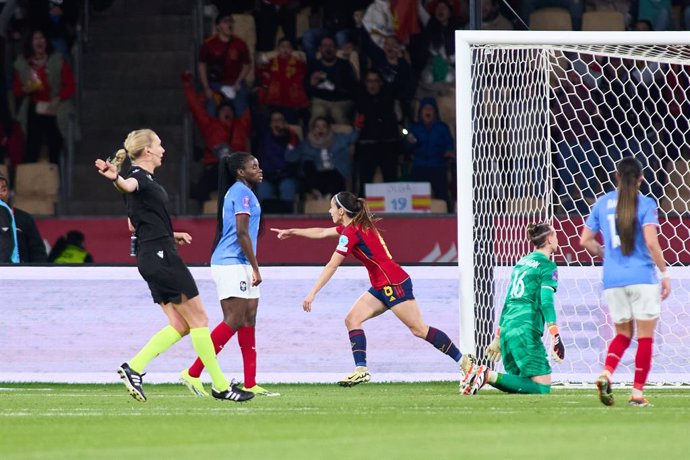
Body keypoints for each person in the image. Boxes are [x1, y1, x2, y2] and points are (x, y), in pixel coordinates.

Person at [94, 129, 253, 403]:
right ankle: (220, 385)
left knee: (181, 324)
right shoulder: (136, 178)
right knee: (200, 319)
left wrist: (171, 233)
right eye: (159, 144)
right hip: (160, 256)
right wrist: (116, 178)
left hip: (151, 253)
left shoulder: (143, 181)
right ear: (147, 151)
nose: (163, 149)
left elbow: (134, 222)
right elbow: (127, 185)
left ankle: (134, 367)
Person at [270, 191, 472, 387]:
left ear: (341, 211)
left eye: (332, 208)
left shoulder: (351, 233)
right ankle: (361, 370)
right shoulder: (356, 227)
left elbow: (332, 265)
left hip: (393, 284)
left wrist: (312, 293)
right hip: (381, 285)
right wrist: (293, 231)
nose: (329, 211)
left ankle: (464, 362)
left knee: (419, 329)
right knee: (352, 319)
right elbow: (322, 232)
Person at [180, 153, 279, 398]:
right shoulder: (240, 192)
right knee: (234, 319)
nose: (259, 169)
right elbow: (242, 233)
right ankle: (192, 372)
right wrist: (256, 267)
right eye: (253, 166)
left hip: (242, 262)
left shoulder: (245, 192)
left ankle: (250, 382)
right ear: (240, 172)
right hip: (231, 263)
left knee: (249, 319)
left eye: (259, 164)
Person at [580, 157, 671, 407]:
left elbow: (585, 240)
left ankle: (606, 372)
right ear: (641, 179)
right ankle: (637, 394)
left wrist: (605, 253)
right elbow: (652, 242)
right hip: (642, 276)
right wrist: (664, 273)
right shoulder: (646, 204)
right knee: (644, 337)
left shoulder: (602, 202)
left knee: (622, 334)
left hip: (612, 279)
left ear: (617, 177)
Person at [460, 223, 565, 396]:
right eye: (555, 235)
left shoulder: (521, 263)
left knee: (520, 386)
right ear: (548, 239)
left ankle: (482, 376)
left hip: (508, 328)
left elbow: (508, 300)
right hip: (525, 329)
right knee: (542, 387)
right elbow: (546, 302)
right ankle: (486, 374)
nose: (557, 238)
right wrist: (555, 334)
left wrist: (499, 336)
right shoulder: (547, 266)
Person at [12, 28, 76, 164]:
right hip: (34, 107)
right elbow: (17, 90)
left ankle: (56, 175)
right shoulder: (24, 64)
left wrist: (58, 97)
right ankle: (29, 178)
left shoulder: (57, 60)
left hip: (55, 107)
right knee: (32, 145)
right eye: (36, 38)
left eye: (42, 38)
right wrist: (26, 88)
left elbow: (70, 85)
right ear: (31, 43)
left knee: (55, 143)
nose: (39, 41)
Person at [0, 173, 48, 263]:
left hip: (20, 274)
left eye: (3, 189)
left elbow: (38, 253)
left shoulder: (24, 218)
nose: (1, 194)